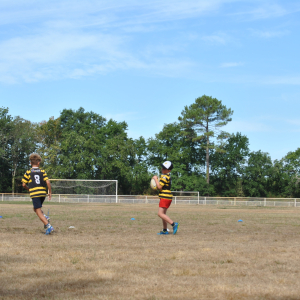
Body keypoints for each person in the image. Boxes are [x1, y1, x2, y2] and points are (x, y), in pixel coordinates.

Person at [22, 153, 54, 235]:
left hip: (35, 194)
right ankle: (45, 217)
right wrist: (50, 192)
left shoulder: (28, 172)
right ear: (38, 163)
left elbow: (23, 184)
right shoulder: (42, 171)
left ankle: (48, 226)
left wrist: (29, 189)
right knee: (35, 209)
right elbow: (48, 182)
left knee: (38, 211)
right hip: (42, 194)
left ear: (30, 163)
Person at [152, 161, 179, 235]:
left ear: (169, 170)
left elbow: (159, 187)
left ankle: (173, 224)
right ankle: (164, 230)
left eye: (165, 168)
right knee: (163, 214)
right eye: (162, 167)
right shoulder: (166, 176)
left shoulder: (164, 176)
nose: (163, 169)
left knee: (160, 214)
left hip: (165, 197)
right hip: (166, 197)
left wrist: (155, 179)